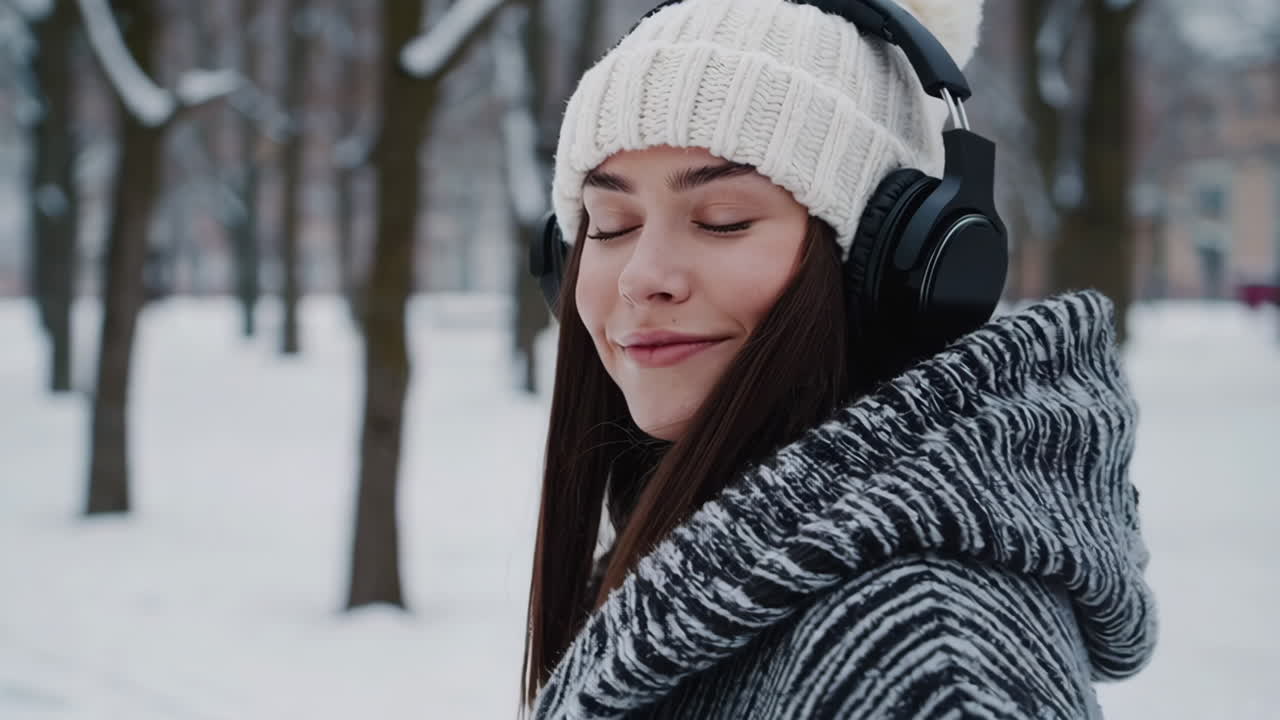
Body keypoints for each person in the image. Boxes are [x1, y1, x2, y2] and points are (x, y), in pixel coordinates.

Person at [521, 0, 1158, 717]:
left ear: (902, 266)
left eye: (723, 220)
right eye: (610, 226)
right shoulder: (702, 547)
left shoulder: (925, 658)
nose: (643, 276)